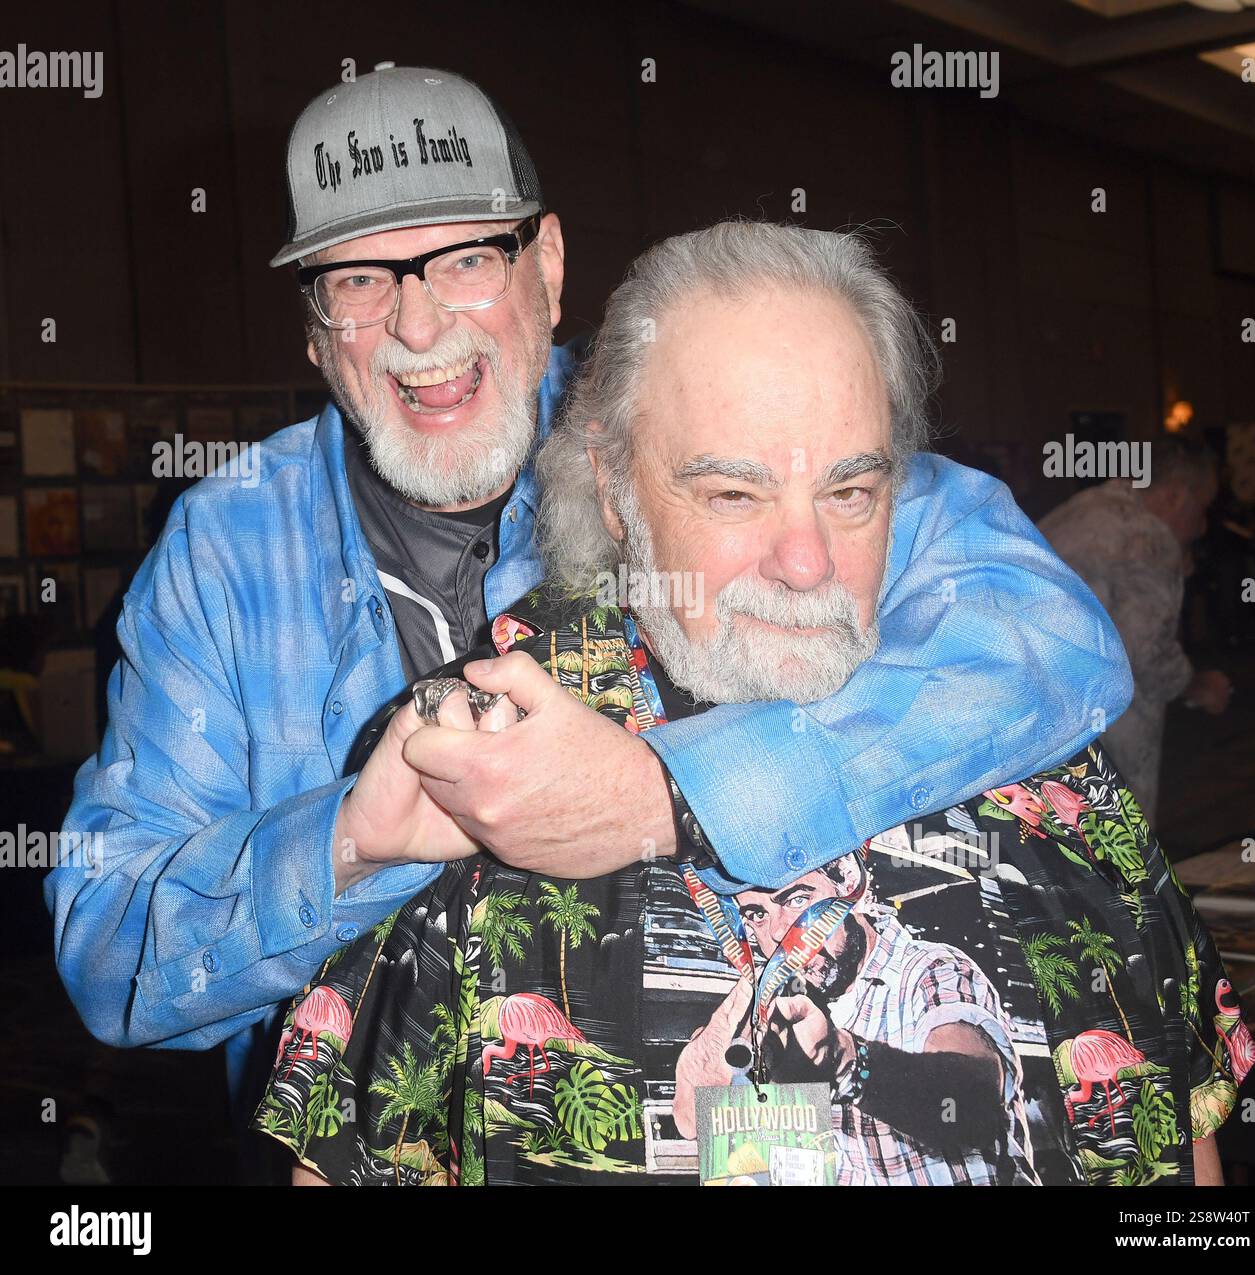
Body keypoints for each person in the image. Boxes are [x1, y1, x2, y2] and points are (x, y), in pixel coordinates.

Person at [46, 66, 1131, 1122]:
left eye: (468, 257)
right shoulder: (226, 547)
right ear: (319, 331)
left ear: (549, 266)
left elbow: (1048, 640)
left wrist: (669, 796)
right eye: (361, 280)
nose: (420, 329)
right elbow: (108, 955)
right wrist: (348, 846)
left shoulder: (693, 421)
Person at [257, 222, 1248, 1187]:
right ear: (613, 486)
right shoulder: (487, 780)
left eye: (850, 492)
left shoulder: (1050, 783)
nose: (806, 561)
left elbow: (1176, 1149)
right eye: (734, 496)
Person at [1038, 439, 1230, 818]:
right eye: (1202, 508)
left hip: (1038, 729)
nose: (1201, 526)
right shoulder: (1148, 538)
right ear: (1176, 495)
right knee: (1122, 857)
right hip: (1105, 742)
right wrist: (1197, 685)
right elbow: (1145, 650)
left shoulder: (1077, 512)